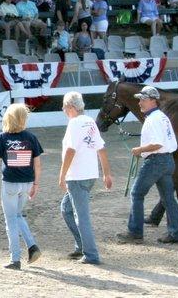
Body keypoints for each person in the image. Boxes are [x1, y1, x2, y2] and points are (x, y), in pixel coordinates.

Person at [116, 86, 178, 245]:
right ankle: (176, 232)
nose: (140, 102)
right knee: (168, 198)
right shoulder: (162, 117)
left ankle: (135, 232)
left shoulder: (153, 119)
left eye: (143, 99)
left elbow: (157, 144)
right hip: (167, 161)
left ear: (153, 100)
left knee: (136, 193)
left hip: (156, 161)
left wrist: (139, 150)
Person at [0, 103, 42, 270]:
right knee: (17, 215)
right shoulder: (31, 138)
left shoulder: (3, 138)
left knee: (11, 220)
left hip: (10, 183)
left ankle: (15, 258)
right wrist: (36, 184)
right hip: (27, 182)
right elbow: (38, 164)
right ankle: (32, 246)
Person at [59, 92, 112, 264]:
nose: (63, 110)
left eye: (65, 107)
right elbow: (101, 148)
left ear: (71, 107)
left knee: (81, 217)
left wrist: (62, 174)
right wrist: (106, 173)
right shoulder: (89, 121)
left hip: (77, 177)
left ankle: (91, 254)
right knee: (66, 209)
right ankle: (81, 245)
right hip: (89, 175)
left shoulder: (74, 123)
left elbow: (70, 150)